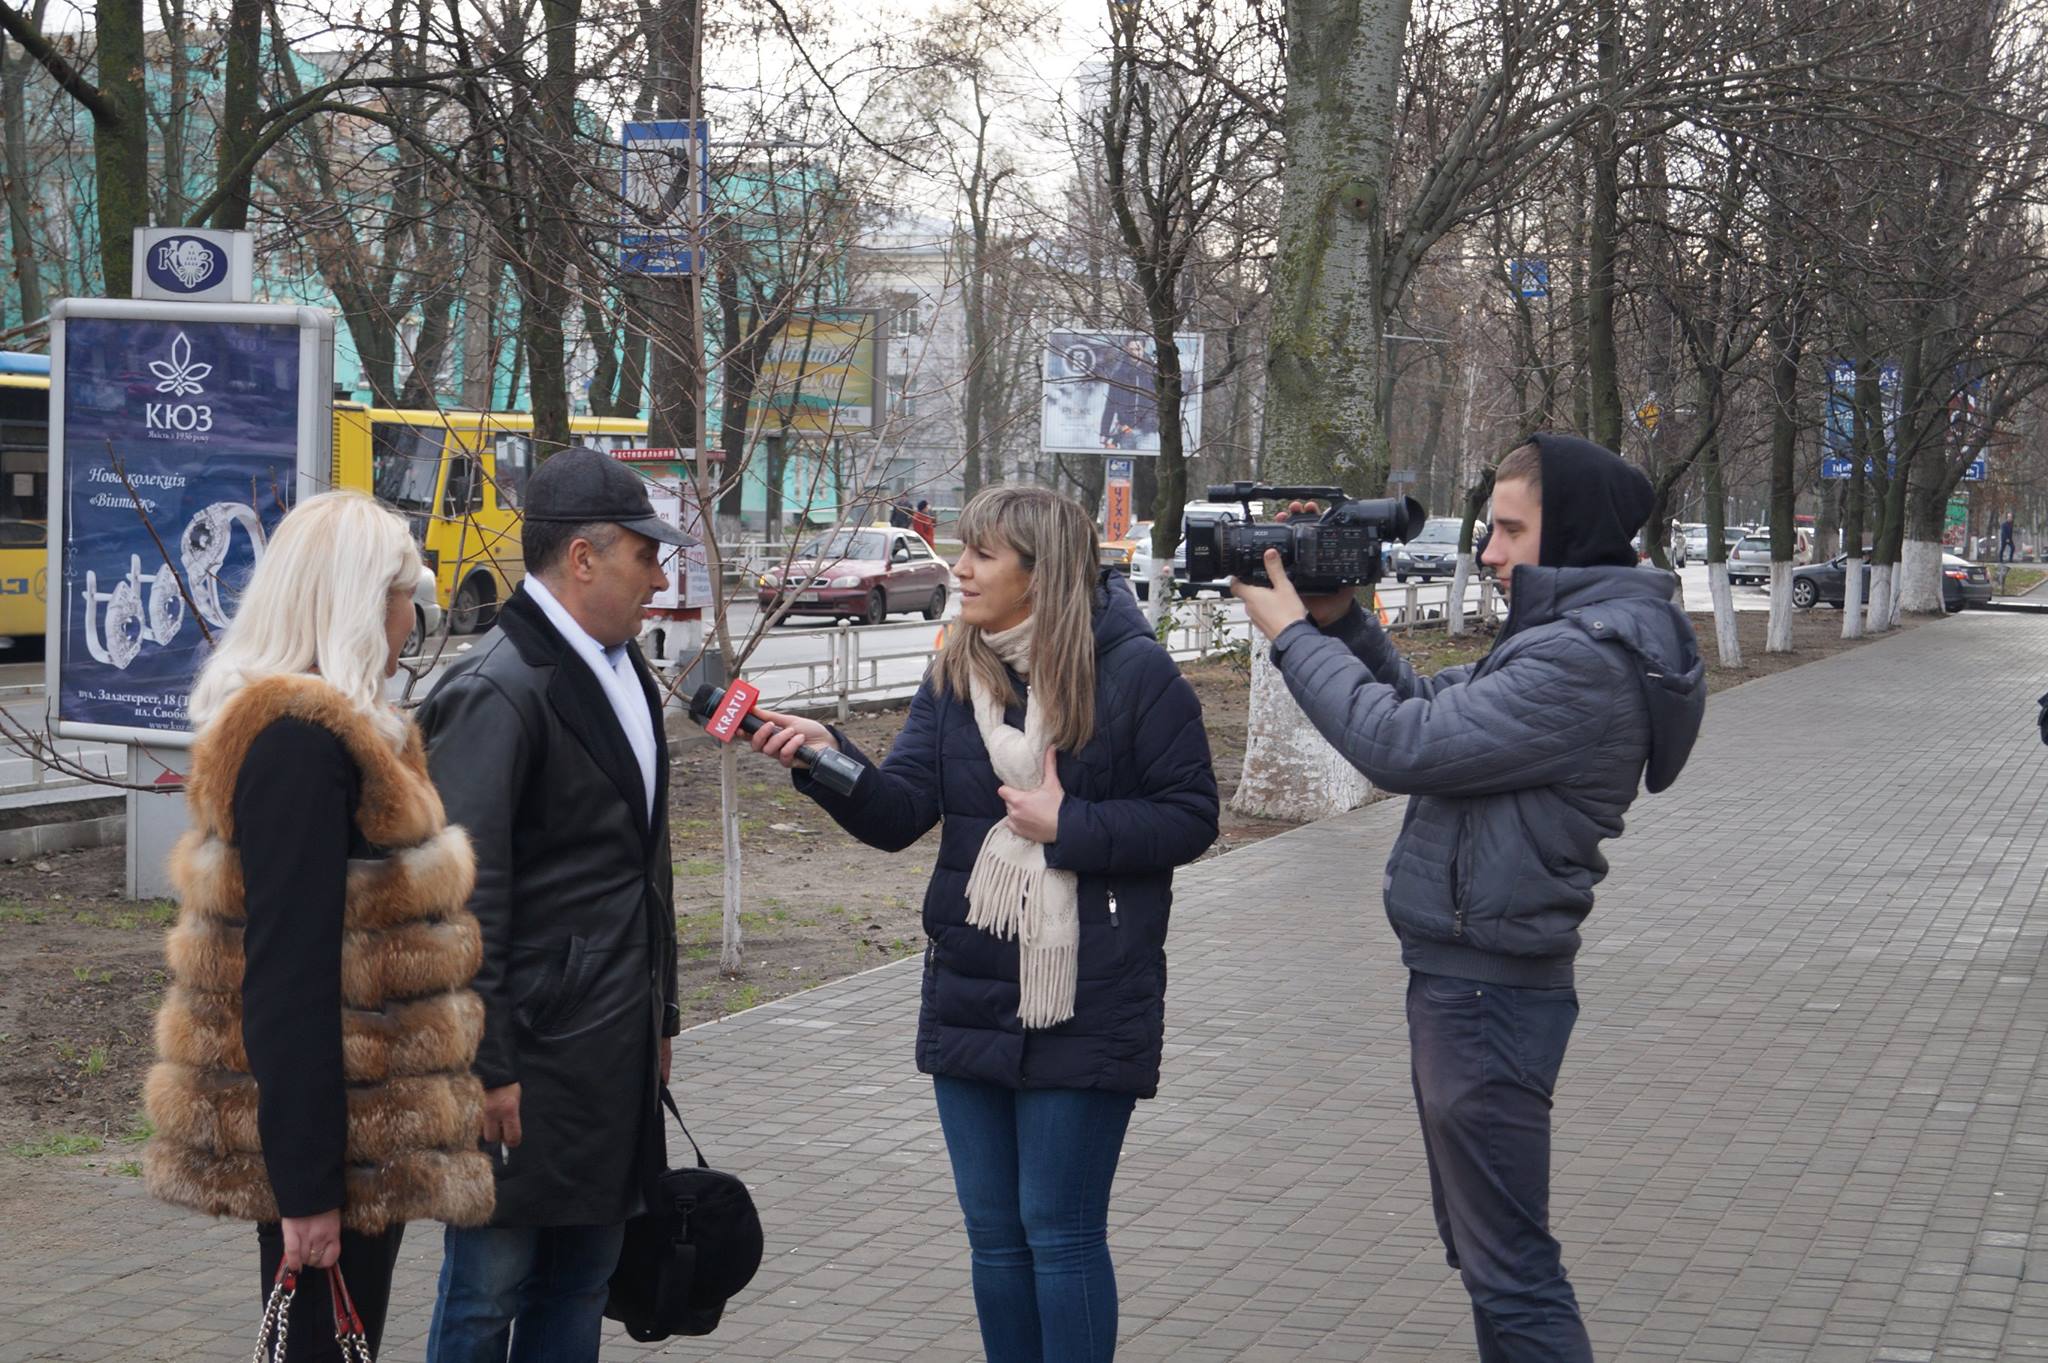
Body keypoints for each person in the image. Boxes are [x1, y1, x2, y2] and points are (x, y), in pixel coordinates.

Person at [1233, 434, 1707, 1362]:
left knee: (1512, 1269)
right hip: (1472, 980)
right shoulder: (1557, 643)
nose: (1488, 550)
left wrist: (1292, 636)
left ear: (1570, 535)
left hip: (1490, 995)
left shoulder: (1582, 660)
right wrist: (1339, 619)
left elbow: (1400, 746)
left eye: (1511, 530)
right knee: (1489, 1256)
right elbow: (1423, 712)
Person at [749, 485, 1219, 1363]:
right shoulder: (956, 672)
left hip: (1087, 995)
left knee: (1060, 1231)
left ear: (1041, 573)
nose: (957, 568)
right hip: (971, 990)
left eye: (981, 554)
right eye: (961, 550)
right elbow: (899, 812)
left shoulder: (1132, 671)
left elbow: (1192, 816)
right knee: (996, 1237)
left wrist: (1069, 824)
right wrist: (825, 758)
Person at [143, 491, 494, 1361]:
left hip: (357, 1137)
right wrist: (306, 1192)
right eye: (404, 594)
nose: (413, 617)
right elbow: (286, 977)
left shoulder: (335, 734)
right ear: (359, 604)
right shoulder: (300, 744)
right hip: (333, 1144)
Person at [419, 448, 687, 1363]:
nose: (660, 578)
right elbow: (461, 896)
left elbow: (644, 865)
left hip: (609, 1050)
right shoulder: (498, 686)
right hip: (528, 1058)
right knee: (486, 1294)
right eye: (645, 557)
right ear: (582, 558)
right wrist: (485, 1066)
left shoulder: (622, 669)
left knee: (581, 1282)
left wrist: (662, 1015)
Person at [1097, 337, 1160, 451]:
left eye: (1137, 349)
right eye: (1131, 349)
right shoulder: (1119, 375)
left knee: (1148, 459)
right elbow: (1110, 405)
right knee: (1125, 457)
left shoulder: (1153, 374)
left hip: (1149, 431)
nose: (1134, 353)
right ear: (1126, 350)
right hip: (1126, 430)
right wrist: (1104, 433)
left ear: (1143, 349)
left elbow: (1162, 403)